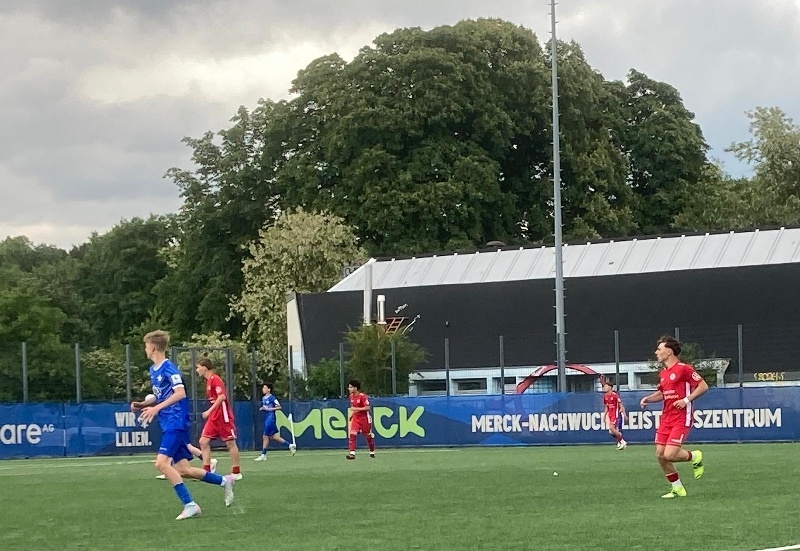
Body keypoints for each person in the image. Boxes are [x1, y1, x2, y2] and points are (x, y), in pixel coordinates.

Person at [132, 330, 235, 519]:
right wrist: (144, 404)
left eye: (146, 346)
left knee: (161, 463)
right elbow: (162, 395)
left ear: (153, 347)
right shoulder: (154, 370)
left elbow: (180, 393)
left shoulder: (169, 368)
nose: (145, 350)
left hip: (175, 421)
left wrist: (156, 409)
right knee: (183, 470)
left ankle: (190, 504)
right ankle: (224, 481)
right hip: (167, 422)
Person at [639, 335, 709, 498]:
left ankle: (694, 456)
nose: (656, 352)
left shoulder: (684, 369)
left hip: (681, 417)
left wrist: (686, 400)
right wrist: (648, 399)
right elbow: (662, 394)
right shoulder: (664, 373)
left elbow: (703, 386)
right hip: (666, 418)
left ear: (669, 351)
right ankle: (677, 488)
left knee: (670, 454)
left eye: (659, 349)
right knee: (660, 454)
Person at [195, 358, 242, 480]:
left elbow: (222, 397)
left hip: (222, 416)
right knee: (203, 441)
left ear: (204, 368)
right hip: (214, 417)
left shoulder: (215, 379)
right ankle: (207, 471)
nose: (197, 370)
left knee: (230, 443)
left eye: (198, 367)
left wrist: (209, 411)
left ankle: (236, 472)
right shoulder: (208, 381)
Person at [254, 382, 297, 461]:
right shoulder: (263, 398)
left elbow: (279, 407)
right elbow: (265, 407)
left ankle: (263, 455)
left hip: (271, 419)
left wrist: (269, 409)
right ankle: (290, 445)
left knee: (265, 436)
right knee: (274, 437)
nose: (263, 389)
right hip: (267, 418)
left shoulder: (272, 398)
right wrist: (262, 409)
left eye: (264, 388)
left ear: (269, 389)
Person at [346, 379, 375, 460]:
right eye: (349, 387)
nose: (349, 389)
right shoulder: (351, 396)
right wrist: (352, 415)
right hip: (356, 418)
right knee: (352, 434)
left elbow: (367, 408)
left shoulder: (362, 396)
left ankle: (372, 451)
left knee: (368, 436)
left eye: (351, 387)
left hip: (364, 419)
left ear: (356, 388)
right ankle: (352, 453)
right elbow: (354, 407)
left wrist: (356, 409)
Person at [601, 381, 627, 450]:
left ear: (610, 387)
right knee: (611, 431)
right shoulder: (605, 396)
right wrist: (604, 415)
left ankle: (622, 442)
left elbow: (621, 404)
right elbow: (607, 407)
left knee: (612, 428)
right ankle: (621, 441)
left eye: (606, 386)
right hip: (610, 414)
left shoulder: (615, 395)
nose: (604, 388)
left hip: (615, 414)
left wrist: (622, 411)